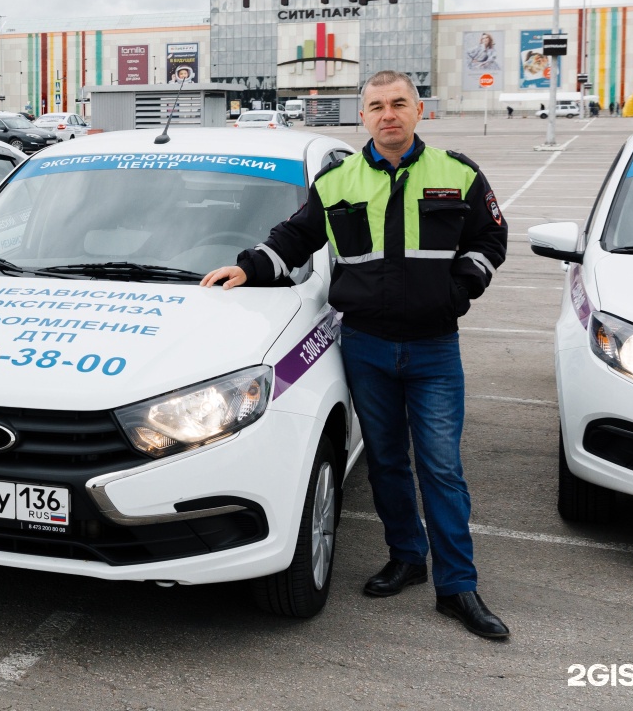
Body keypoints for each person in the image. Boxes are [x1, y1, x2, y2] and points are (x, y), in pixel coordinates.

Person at [201, 70, 510, 640]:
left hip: (434, 347)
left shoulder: (459, 173)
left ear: (419, 111)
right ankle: (406, 558)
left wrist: (460, 286)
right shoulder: (337, 180)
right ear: (362, 116)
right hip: (364, 345)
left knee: (442, 468)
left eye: (399, 104)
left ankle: (458, 586)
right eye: (376, 106)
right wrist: (248, 266)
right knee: (388, 461)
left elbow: (491, 240)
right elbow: (296, 237)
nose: (388, 114)